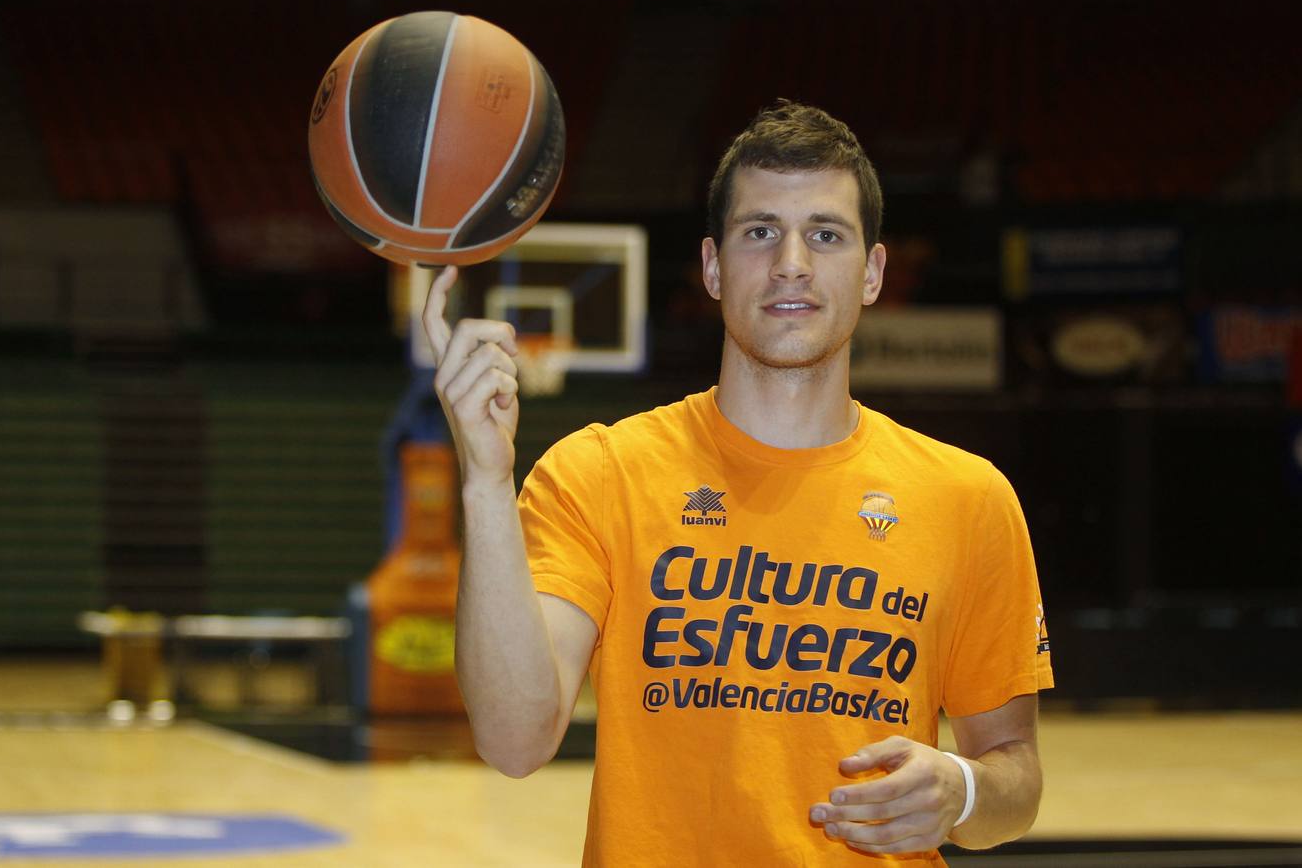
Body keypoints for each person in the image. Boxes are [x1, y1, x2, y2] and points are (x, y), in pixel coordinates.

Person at [423, 100, 1054, 867]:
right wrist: (486, 484)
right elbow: (514, 740)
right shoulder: (598, 473)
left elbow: (1014, 777)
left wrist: (962, 790)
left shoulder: (970, 499)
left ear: (874, 272)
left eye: (826, 234)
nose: (792, 261)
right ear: (714, 268)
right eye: (760, 232)